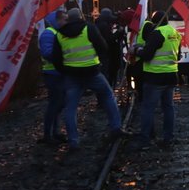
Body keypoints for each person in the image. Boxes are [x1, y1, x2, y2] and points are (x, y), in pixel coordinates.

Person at [50, 8, 129, 150]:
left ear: (68, 19)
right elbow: (103, 47)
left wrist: (66, 70)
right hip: (92, 72)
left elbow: (56, 59)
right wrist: (98, 62)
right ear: (81, 16)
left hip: (72, 76)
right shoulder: (88, 29)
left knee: (71, 108)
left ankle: (73, 140)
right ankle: (116, 128)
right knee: (108, 95)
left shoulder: (59, 35)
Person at [132, 10, 181, 149]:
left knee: (148, 108)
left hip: (155, 77)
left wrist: (136, 51)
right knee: (168, 107)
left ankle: (145, 139)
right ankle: (168, 137)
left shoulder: (156, 33)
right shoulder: (175, 33)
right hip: (171, 75)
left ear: (155, 22)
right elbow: (178, 56)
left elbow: (147, 55)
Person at [37, 8, 67, 145]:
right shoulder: (49, 34)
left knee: (59, 104)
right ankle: (48, 134)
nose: (65, 22)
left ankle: (56, 132)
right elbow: (47, 53)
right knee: (54, 105)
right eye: (63, 19)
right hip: (52, 74)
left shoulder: (56, 33)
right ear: (57, 20)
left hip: (58, 74)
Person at [95, 8, 123, 87]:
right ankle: (107, 87)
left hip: (101, 52)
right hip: (106, 53)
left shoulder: (98, 23)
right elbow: (109, 39)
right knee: (106, 72)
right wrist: (119, 32)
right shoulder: (104, 25)